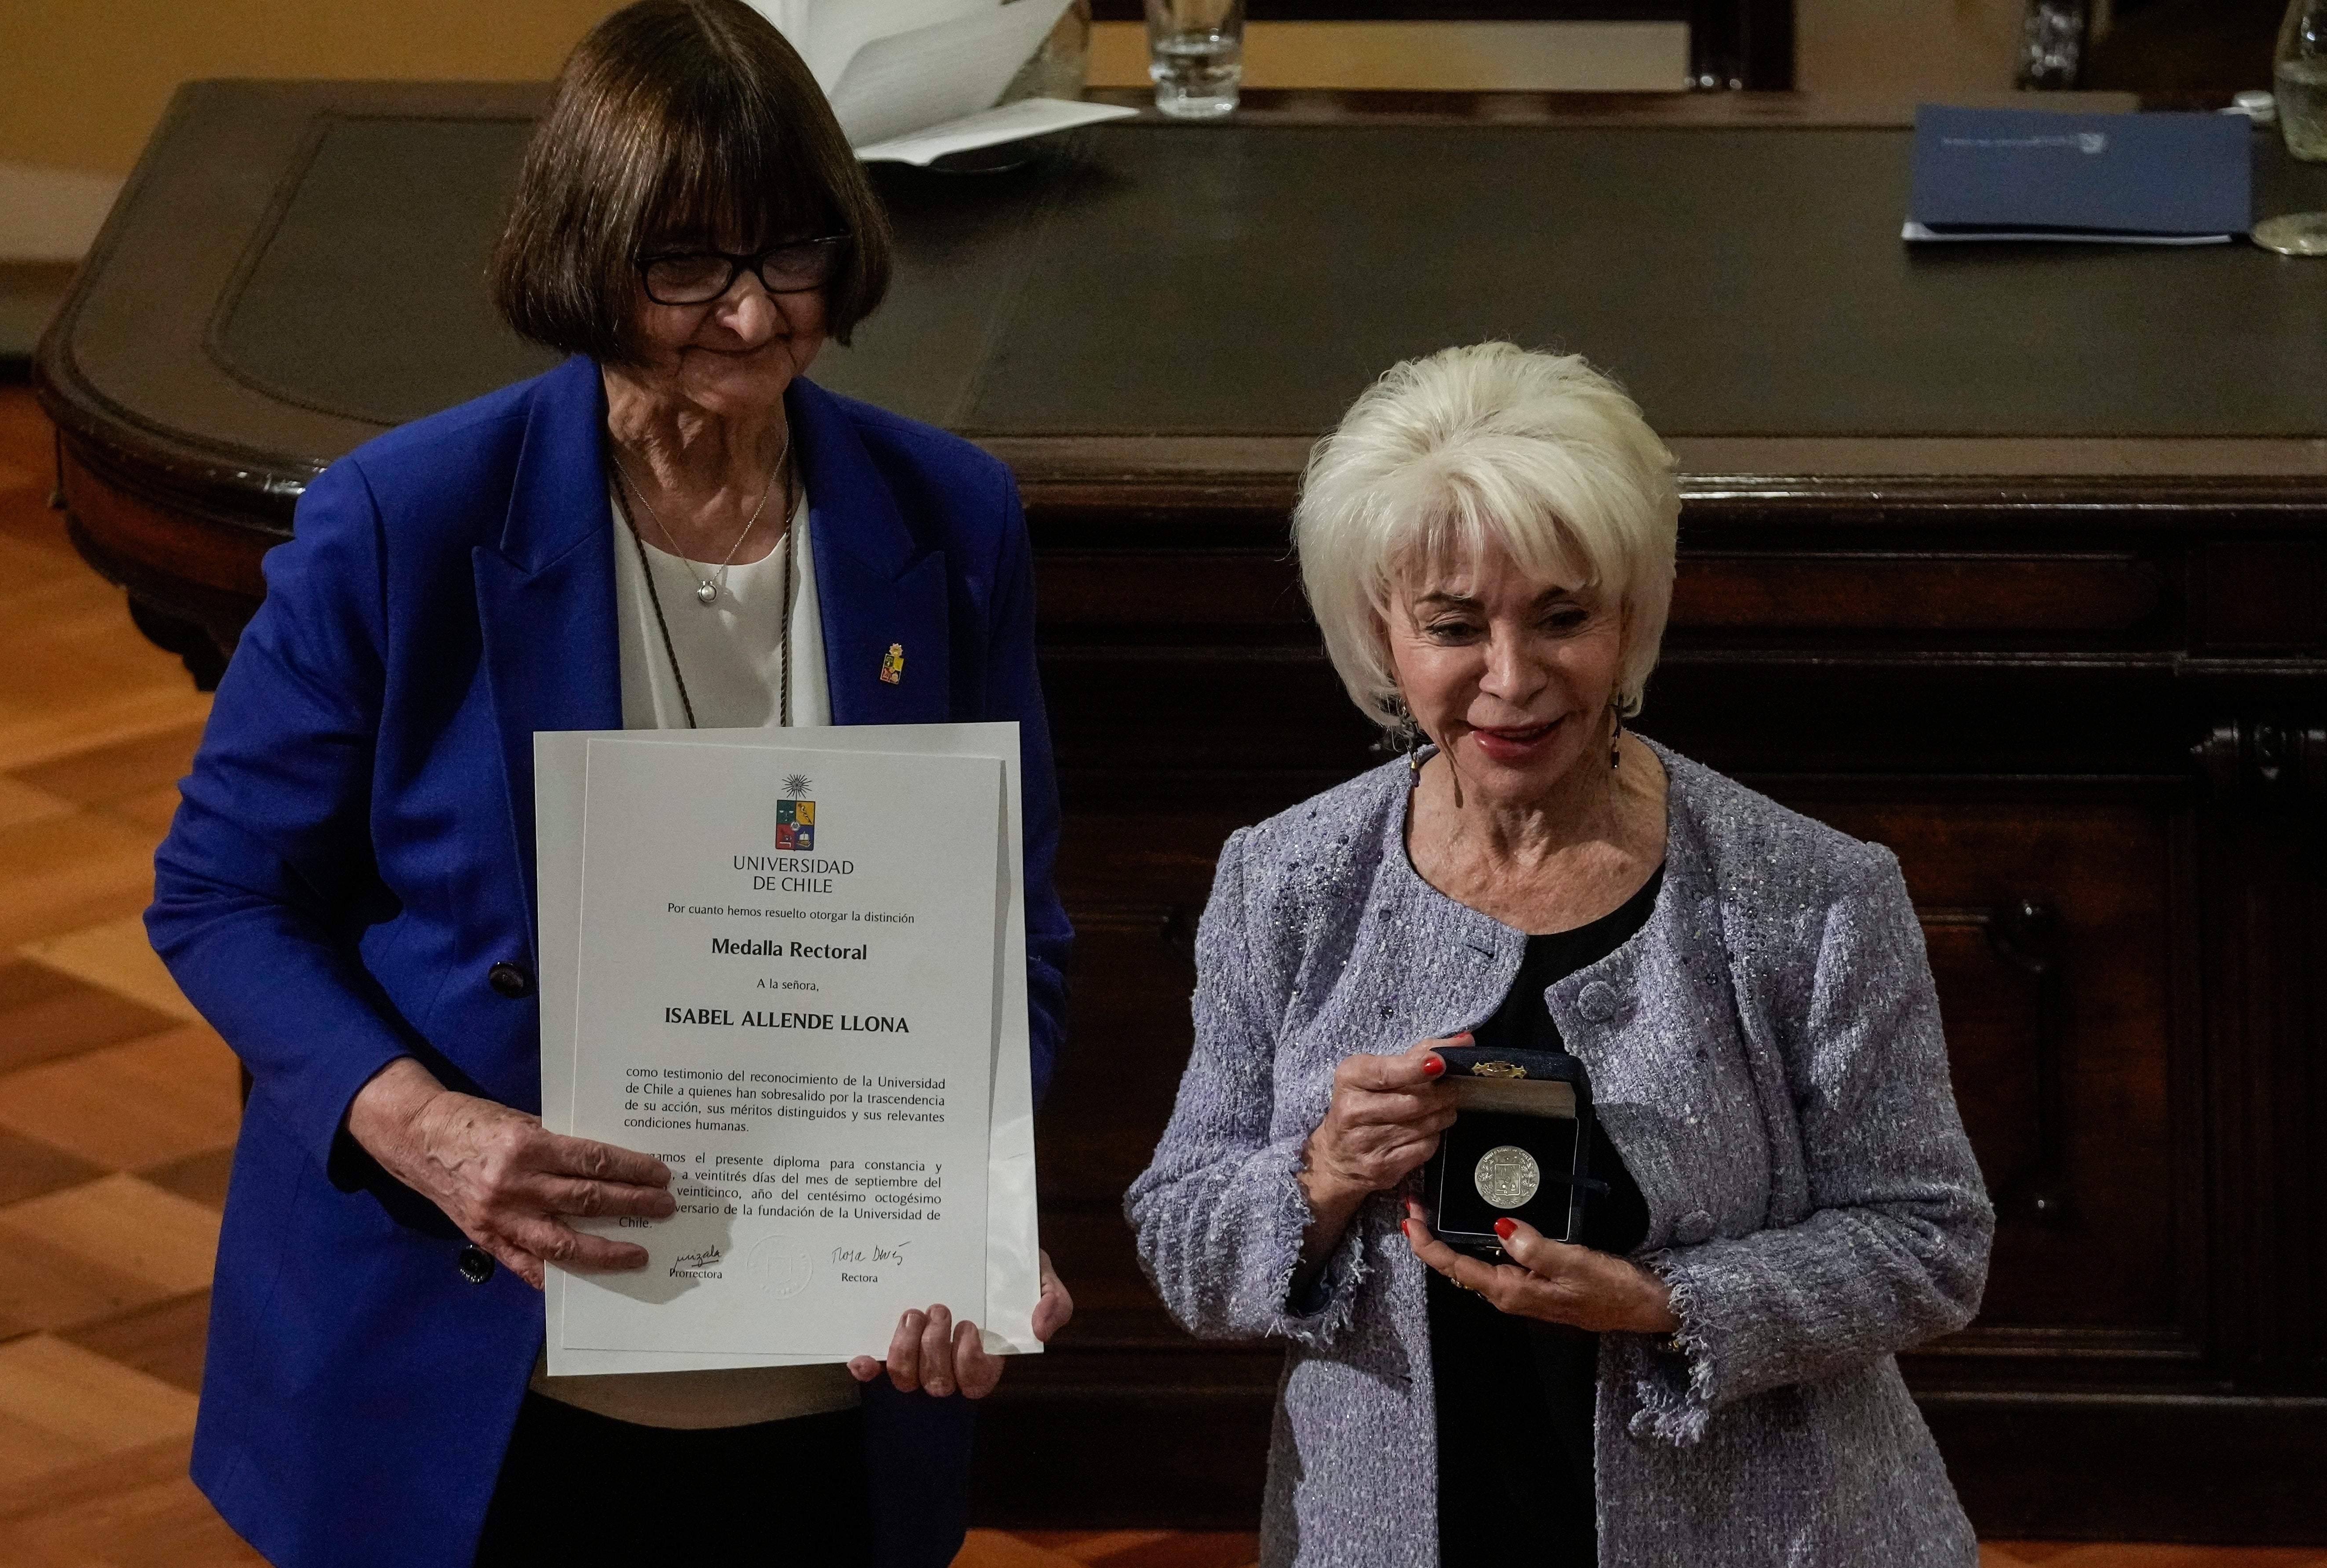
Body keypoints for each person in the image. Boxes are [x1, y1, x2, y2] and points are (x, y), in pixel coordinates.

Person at [146, 4, 1072, 1564]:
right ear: (584, 260)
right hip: (474, 1364)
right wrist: (422, 1123)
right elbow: (221, 894)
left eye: (792, 255)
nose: (752, 316)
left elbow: (1011, 933)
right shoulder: (404, 521)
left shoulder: (948, 517)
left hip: (833, 1369)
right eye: (686, 267)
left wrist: (971, 1207)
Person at [1124, 342, 1992, 1566]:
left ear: (1631, 611)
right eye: (1452, 625)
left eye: (1561, 616)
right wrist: (1320, 1171)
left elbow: (1928, 1243)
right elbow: (1184, 1240)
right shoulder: (1286, 880)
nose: (1511, 680)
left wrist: (1664, 1306)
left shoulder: (1813, 892)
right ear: (1382, 630)